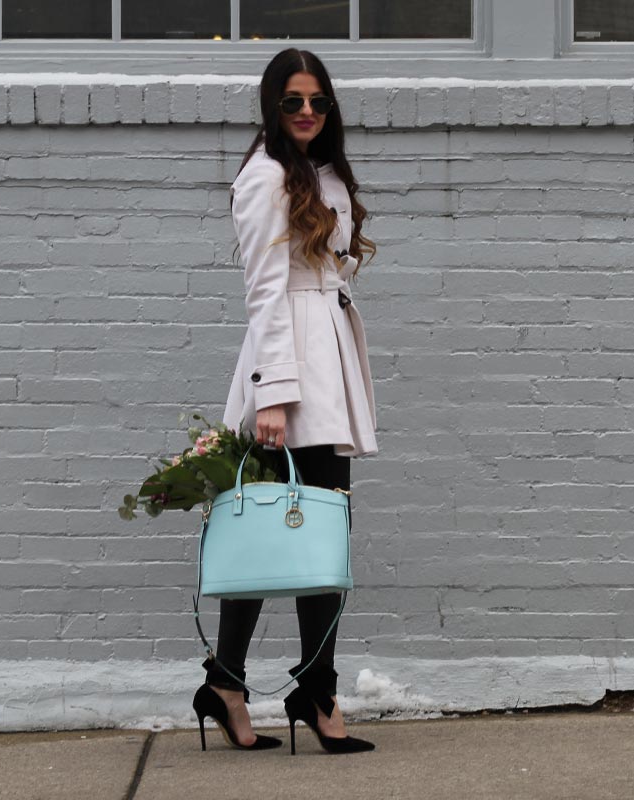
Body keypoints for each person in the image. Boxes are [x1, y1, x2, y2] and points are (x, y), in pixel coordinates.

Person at [191, 47, 380, 756]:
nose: (306, 112)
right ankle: (270, 687)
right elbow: (265, 292)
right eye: (293, 101)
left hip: (325, 358)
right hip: (292, 370)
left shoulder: (322, 173)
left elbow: (328, 266)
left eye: (318, 101)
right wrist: (273, 395)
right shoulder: (265, 177)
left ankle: (260, 683)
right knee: (278, 533)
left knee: (316, 535)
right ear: (272, 107)